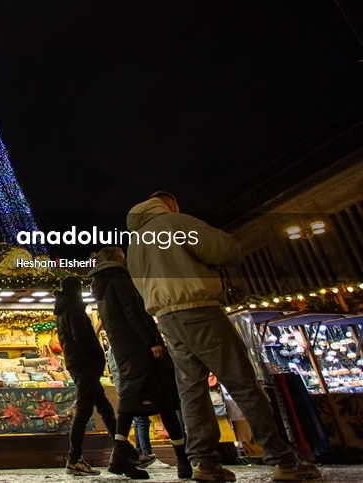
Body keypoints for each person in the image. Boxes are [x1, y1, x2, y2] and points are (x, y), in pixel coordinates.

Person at [126, 192, 321, 482]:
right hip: (199, 308)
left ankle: (205, 462)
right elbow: (225, 251)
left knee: (191, 392)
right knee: (243, 383)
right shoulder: (176, 223)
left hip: (166, 318)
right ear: (170, 204)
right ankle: (283, 460)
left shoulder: (136, 243)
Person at [91, 247, 191, 480]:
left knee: (129, 401)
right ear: (115, 259)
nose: (125, 258)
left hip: (122, 350)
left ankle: (118, 456)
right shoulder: (120, 279)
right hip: (138, 347)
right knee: (164, 399)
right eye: (121, 255)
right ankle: (182, 459)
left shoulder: (100, 287)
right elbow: (134, 312)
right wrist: (152, 341)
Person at [54, 276, 118, 476]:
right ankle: (74, 459)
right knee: (84, 411)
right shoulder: (73, 308)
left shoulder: (63, 309)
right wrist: (96, 355)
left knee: (105, 409)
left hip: (80, 364)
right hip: (85, 364)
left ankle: (126, 451)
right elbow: (81, 336)